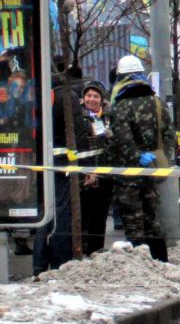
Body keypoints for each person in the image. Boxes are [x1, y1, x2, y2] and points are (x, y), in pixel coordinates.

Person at [99, 57, 174, 262]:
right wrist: (160, 158)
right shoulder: (158, 103)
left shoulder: (121, 106)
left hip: (128, 176)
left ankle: (140, 264)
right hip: (152, 173)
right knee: (152, 219)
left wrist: (136, 157)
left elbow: (122, 140)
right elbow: (169, 135)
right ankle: (161, 260)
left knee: (133, 222)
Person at [73, 81, 111, 258]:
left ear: (101, 99)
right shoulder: (78, 117)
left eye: (95, 96)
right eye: (88, 95)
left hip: (104, 176)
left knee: (99, 217)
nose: (91, 99)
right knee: (83, 215)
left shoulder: (108, 117)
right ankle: (81, 251)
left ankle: (97, 252)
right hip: (83, 175)